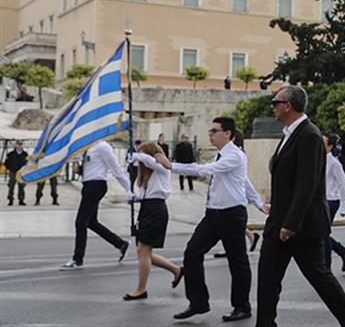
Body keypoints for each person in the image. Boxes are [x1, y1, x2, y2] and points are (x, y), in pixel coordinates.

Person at [253, 86, 345, 327]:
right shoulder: (289, 133)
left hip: (301, 226)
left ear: (288, 106)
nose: (273, 106)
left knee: (321, 279)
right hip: (279, 223)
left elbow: (307, 184)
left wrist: (291, 223)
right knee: (267, 279)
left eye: (276, 101)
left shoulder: (310, 135)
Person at [154, 117, 266, 322]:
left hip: (232, 215)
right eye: (210, 131)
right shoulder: (221, 155)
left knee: (237, 262)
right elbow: (245, 181)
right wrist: (259, 202)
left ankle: (242, 307)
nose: (210, 135)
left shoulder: (234, 156)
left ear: (228, 134)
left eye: (214, 131)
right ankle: (198, 303)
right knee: (192, 253)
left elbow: (204, 170)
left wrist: (171, 166)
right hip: (213, 215)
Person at [124, 142, 183, 301]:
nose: (141, 161)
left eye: (143, 156)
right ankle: (176, 270)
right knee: (143, 251)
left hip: (156, 209)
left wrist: (138, 155)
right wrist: (135, 198)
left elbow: (151, 161)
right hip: (147, 208)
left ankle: (141, 289)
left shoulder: (161, 166)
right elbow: (146, 193)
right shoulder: (148, 173)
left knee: (143, 249)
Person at [61, 140, 132, 270]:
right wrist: (80, 170)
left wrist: (129, 189)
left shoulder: (103, 146)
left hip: (96, 186)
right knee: (91, 222)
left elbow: (115, 168)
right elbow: (91, 168)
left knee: (80, 222)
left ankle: (78, 259)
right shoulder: (88, 147)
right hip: (88, 185)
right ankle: (120, 244)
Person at [324, 134, 345, 272]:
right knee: (318, 234)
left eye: (323, 142)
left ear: (330, 147)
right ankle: (342, 251)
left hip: (330, 202)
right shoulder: (313, 159)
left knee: (322, 234)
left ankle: (327, 269)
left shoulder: (334, 163)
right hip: (316, 202)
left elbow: (343, 184)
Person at [6, 141, 28, 206]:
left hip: (21, 173)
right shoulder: (10, 154)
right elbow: (6, 163)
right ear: (16, 145)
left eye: (20, 145)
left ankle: (21, 200)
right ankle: (10, 200)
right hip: (13, 172)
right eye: (18, 145)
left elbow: (27, 163)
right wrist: (9, 168)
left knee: (21, 187)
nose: (19, 146)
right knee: (11, 186)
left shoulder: (25, 154)